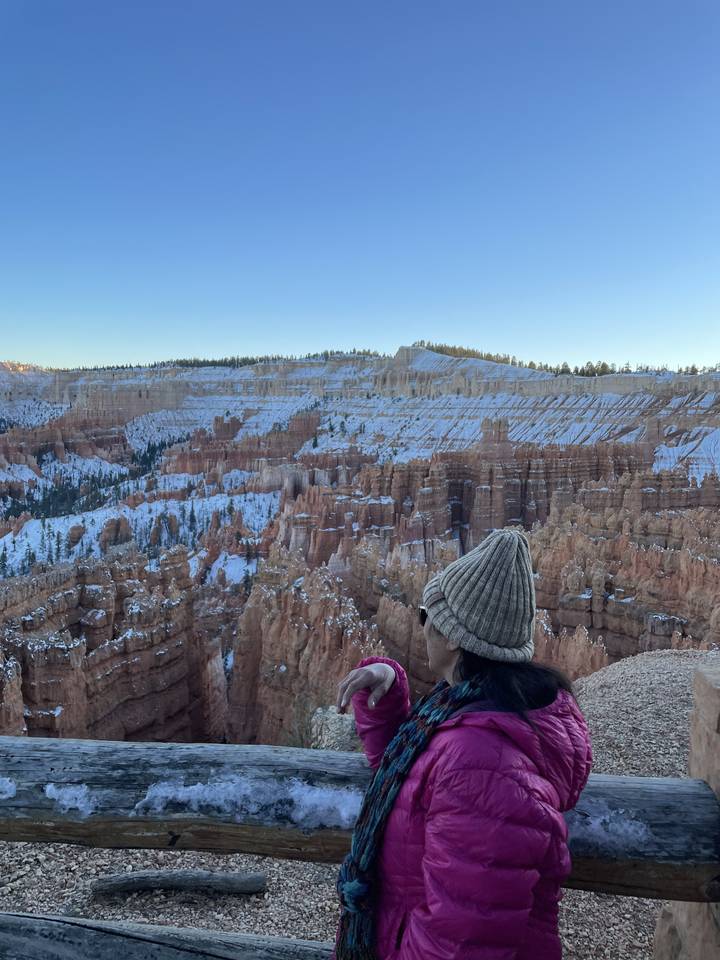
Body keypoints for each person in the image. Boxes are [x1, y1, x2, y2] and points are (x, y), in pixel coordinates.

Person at [332, 527, 592, 960]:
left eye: (424, 614)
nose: (422, 627)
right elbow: (408, 781)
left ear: (454, 636)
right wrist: (389, 688)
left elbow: (459, 943)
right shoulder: (473, 710)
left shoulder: (484, 761)